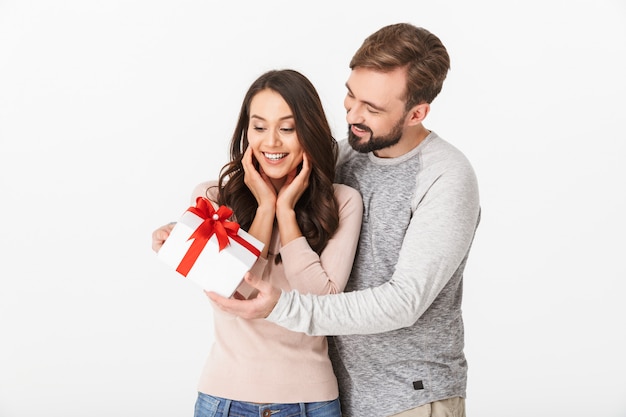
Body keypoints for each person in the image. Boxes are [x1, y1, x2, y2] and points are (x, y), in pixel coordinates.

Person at [205, 23, 481, 417]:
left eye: (373, 108)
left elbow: (404, 302)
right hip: (332, 396)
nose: (353, 114)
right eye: (351, 96)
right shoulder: (342, 155)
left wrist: (281, 307)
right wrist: (188, 229)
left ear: (417, 112)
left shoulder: (446, 177)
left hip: (409, 399)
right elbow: (258, 189)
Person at [151, 69, 363, 417]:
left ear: (309, 131)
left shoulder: (341, 202)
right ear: (246, 132)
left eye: (287, 128)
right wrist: (265, 208)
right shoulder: (212, 198)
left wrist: (287, 213)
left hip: (312, 402)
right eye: (260, 127)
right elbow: (232, 291)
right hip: (224, 400)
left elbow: (324, 306)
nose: (272, 142)